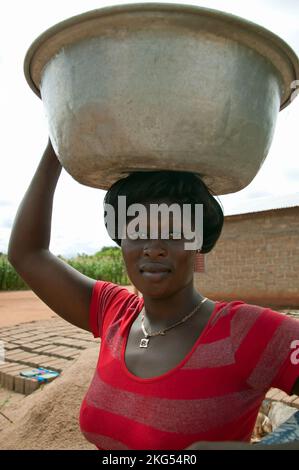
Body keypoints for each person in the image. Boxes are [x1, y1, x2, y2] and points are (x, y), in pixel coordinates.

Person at [8, 140, 299, 450]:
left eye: (174, 232)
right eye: (137, 230)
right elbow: (27, 254)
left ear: (197, 244)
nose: (153, 247)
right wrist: (60, 141)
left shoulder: (246, 332)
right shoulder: (113, 312)